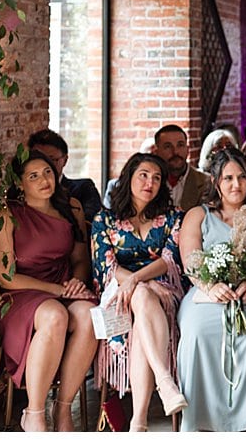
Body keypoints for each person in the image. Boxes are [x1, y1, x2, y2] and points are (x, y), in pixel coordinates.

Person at [176, 148, 246, 431]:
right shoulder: (197, 215)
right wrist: (210, 286)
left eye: (241, 177)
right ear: (216, 181)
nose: (235, 184)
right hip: (209, 291)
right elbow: (190, 259)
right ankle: (201, 419)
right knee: (197, 332)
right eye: (227, 178)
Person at [0, 151, 98, 432]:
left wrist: (76, 282)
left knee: (89, 314)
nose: (44, 180)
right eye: (33, 176)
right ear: (20, 183)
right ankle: (34, 412)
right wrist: (57, 290)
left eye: (47, 172)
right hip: (23, 294)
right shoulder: (5, 215)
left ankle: (63, 408)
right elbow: (6, 277)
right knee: (54, 316)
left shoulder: (70, 208)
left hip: (63, 286)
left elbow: (79, 259)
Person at [91, 153, 186, 431]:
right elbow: (106, 266)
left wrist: (140, 281)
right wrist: (136, 284)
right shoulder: (104, 219)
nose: (150, 182)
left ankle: (139, 422)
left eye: (157, 178)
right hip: (119, 292)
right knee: (142, 299)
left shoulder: (173, 217)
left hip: (164, 289)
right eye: (143, 175)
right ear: (128, 178)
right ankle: (162, 385)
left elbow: (169, 260)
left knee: (144, 297)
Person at [27, 128, 104, 223]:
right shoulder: (22, 193)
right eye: (38, 159)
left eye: (51, 160)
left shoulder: (83, 189)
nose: (44, 165)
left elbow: (93, 221)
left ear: (65, 160)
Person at [152, 124, 211, 212]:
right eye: (168, 146)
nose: (175, 152)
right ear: (156, 152)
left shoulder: (207, 183)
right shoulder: (149, 183)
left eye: (180, 145)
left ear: (187, 150)